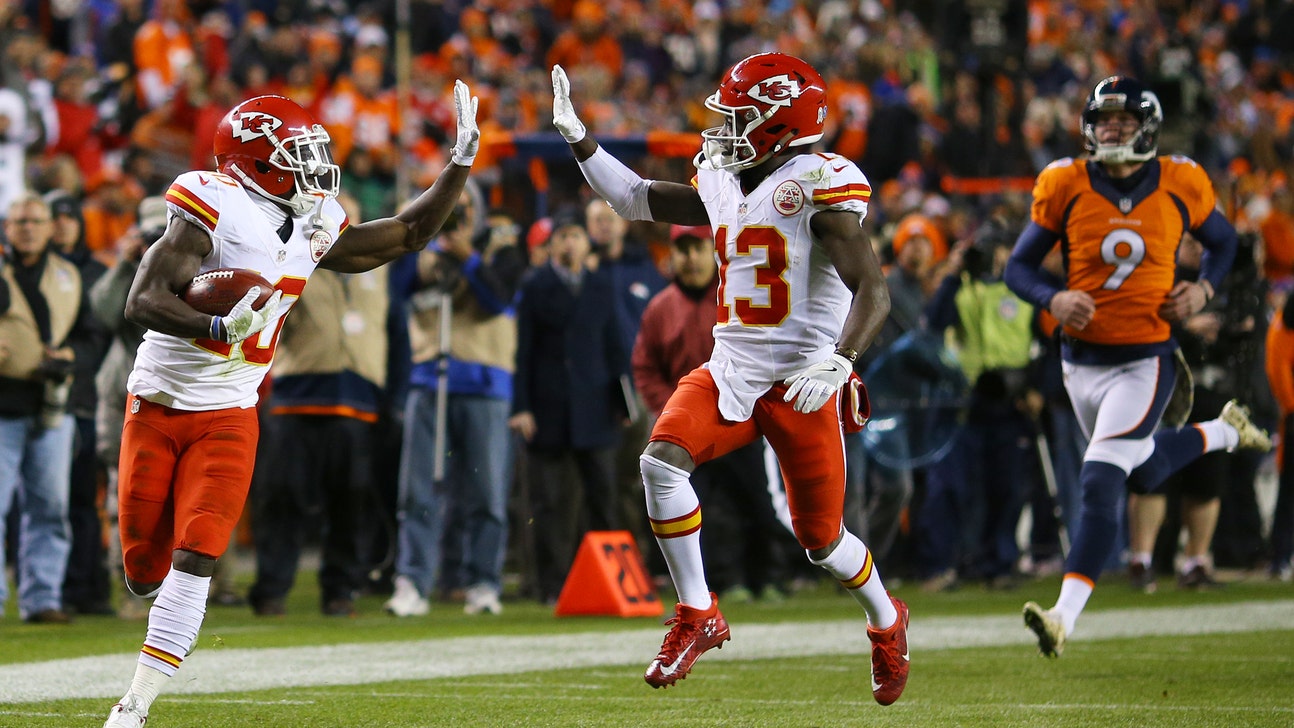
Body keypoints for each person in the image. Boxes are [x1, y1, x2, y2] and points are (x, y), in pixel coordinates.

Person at [101, 82, 479, 728]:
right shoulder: (212, 204)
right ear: (255, 160)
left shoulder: (315, 221)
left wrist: (458, 166)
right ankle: (145, 603)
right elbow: (141, 300)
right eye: (296, 152)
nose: (311, 165)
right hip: (159, 403)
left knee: (199, 552)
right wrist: (217, 327)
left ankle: (133, 705)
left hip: (230, 411)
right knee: (142, 568)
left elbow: (408, 234)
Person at [551, 54, 909, 702]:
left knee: (823, 542)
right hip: (733, 366)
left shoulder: (818, 186)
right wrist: (579, 137)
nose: (723, 130)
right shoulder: (724, 177)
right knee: (660, 463)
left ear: (781, 125)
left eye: (739, 118)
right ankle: (698, 611)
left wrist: (842, 360)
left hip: (804, 379)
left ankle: (886, 620)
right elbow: (634, 197)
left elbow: (875, 292)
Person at [1003, 75, 1272, 658]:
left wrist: (1203, 290)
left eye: (1122, 121)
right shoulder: (1065, 182)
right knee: (1144, 470)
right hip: (1080, 361)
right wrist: (1052, 298)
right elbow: (1017, 269)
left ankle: (1062, 617)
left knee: (1102, 478)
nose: (1111, 130)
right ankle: (1225, 430)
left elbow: (1226, 244)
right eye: (1103, 121)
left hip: (1145, 360)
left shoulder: (1181, 180)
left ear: (1147, 126)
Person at [246, 191, 390, 618]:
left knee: (352, 503)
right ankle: (271, 589)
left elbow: (393, 329)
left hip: (360, 400)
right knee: (283, 501)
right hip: (298, 398)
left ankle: (341, 590)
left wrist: (389, 394)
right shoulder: (291, 262)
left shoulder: (377, 271)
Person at [384, 187, 524, 618]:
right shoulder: (420, 252)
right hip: (430, 379)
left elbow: (499, 299)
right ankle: (412, 581)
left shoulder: (502, 249)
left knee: (486, 491)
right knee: (417, 489)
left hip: (485, 384)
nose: (452, 218)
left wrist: (469, 257)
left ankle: (483, 581)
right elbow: (397, 291)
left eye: (459, 210)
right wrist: (414, 238)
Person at [633, 224, 792, 603]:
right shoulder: (660, 308)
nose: (689, 258)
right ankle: (722, 581)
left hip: (743, 416)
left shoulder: (735, 298)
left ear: (713, 252)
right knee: (699, 506)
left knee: (757, 498)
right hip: (689, 427)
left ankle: (769, 576)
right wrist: (671, 408)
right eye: (682, 250)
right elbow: (644, 367)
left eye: (696, 248)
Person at [508, 218, 629, 605]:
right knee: (550, 505)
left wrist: (622, 401)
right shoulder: (535, 287)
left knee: (604, 500)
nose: (569, 244)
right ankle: (552, 586)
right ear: (551, 245)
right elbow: (522, 352)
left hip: (595, 409)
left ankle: (613, 582)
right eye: (562, 237)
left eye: (575, 236)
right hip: (550, 409)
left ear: (586, 244)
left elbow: (615, 348)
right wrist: (522, 406)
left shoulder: (601, 286)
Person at [0, 193, 98, 624]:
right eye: (19, 221)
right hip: (2, 403)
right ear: (7, 228)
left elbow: (91, 337)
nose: (27, 228)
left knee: (51, 507)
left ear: (48, 227)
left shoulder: (69, 275)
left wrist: (71, 358)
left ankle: (42, 598)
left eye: (35, 220)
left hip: (51, 405)